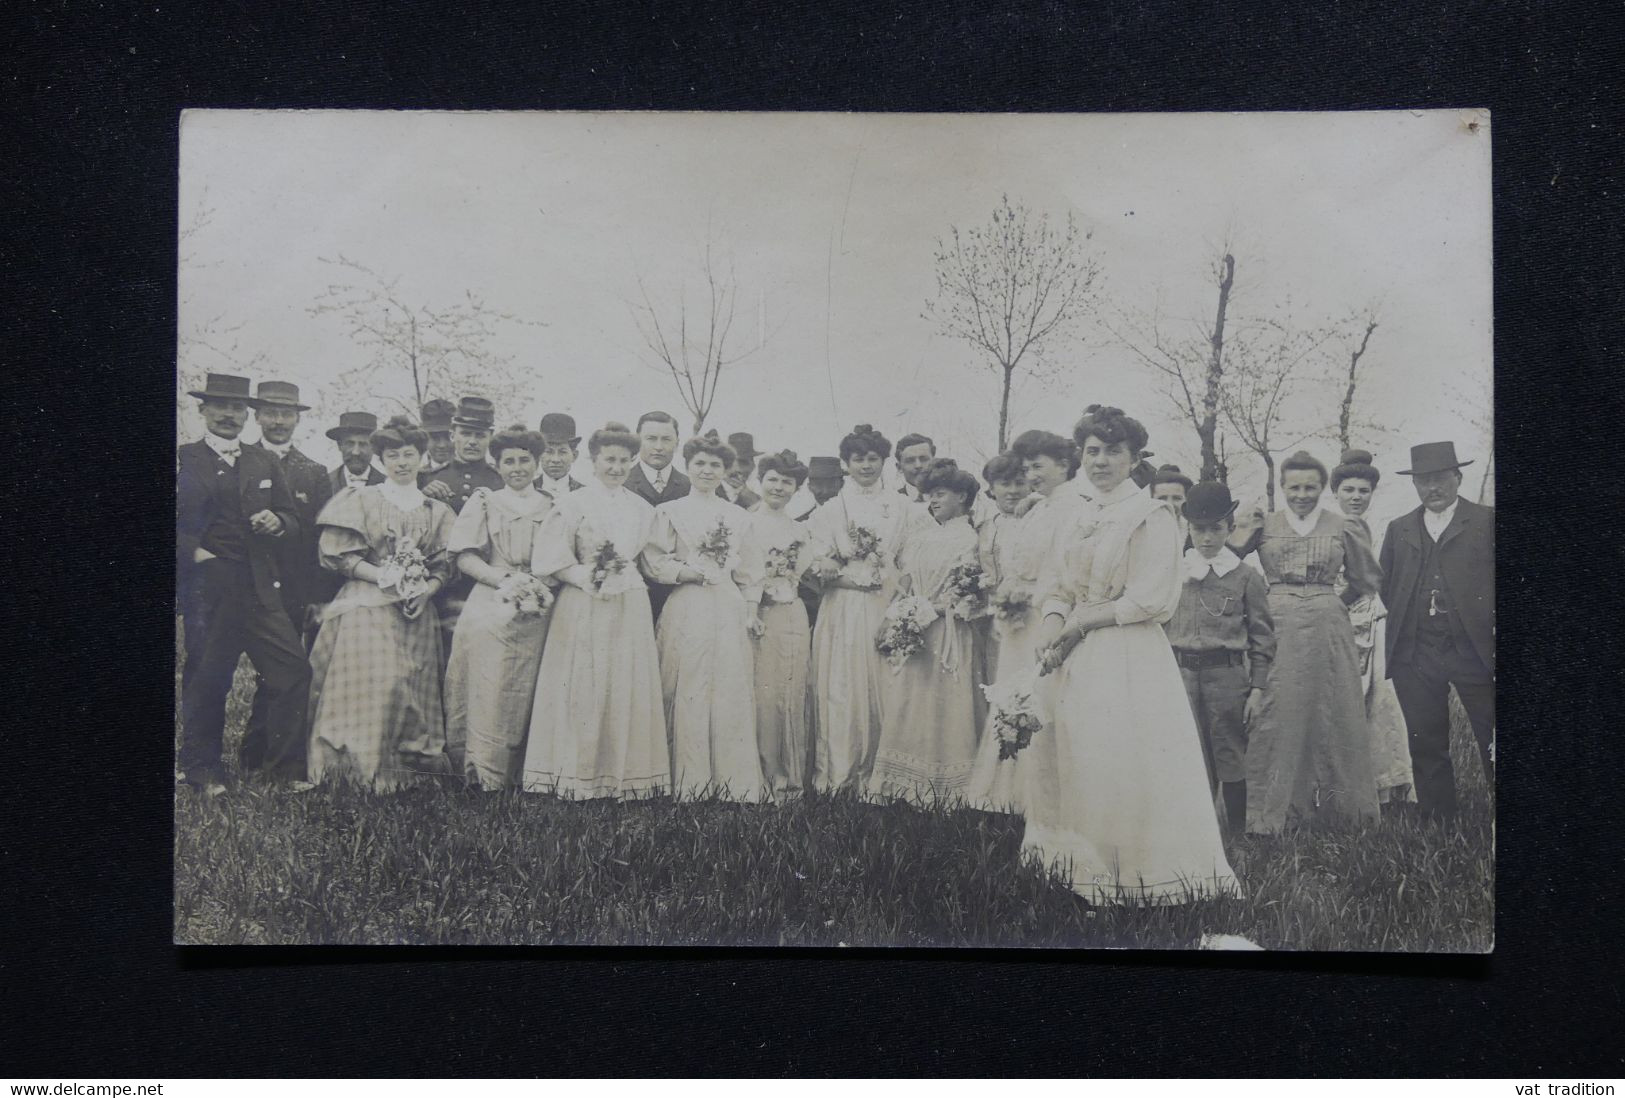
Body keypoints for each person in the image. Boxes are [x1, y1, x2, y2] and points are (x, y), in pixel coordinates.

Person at [1024, 406, 1237, 905]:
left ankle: (1134, 876)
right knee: (1072, 753)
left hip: (1126, 651)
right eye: (1091, 451)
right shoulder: (1074, 513)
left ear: (1133, 457)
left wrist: (1077, 621)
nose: (1100, 461)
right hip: (1074, 653)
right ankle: (1076, 869)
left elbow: (1152, 600)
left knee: (1117, 756)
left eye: (1112, 451)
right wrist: (1054, 621)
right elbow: (1056, 584)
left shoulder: (1151, 515)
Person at [177, 373, 312, 795]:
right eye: (219, 406)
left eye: (236, 408)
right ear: (202, 410)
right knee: (208, 676)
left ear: (246, 414)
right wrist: (195, 553)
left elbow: (293, 519)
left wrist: (278, 522)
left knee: (292, 671)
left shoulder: (261, 460)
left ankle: (280, 771)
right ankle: (201, 770)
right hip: (209, 587)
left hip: (258, 587)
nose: (228, 415)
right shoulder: (183, 458)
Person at [519, 423, 670, 800]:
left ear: (633, 462)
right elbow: (550, 559)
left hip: (628, 603)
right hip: (583, 599)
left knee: (623, 682)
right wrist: (586, 576)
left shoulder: (641, 508)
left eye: (623, 461)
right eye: (609, 460)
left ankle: (623, 775)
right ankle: (576, 774)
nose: (616, 468)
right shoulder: (573, 504)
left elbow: (652, 560)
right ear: (593, 461)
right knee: (582, 682)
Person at [306, 416, 456, 792]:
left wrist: (426, 591)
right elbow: (339, 556)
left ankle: (407, 769)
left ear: (423, 457)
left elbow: (444, 565)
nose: (402, 462)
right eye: (393, 455)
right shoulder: (363, 499)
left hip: (415, 608)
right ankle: (353, 768)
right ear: (381, 458)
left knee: (410, 683)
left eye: (409, 454)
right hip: (366, 602)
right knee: (378, 679)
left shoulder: (435, 511)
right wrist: (385, 577)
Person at [1236, 450, 1382, 833]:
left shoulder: (1342, 525)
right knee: (1273, 710)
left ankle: (1342, 814)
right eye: (1294, 487)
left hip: (1326, 627)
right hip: (1275, 625)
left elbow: (1366, 579)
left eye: (1311, 487)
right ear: (1282, 488)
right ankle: (1265, 815)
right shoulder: (1264, 524)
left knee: (1331, 710)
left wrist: (1330, 601)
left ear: (1323, 489)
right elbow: (1227, 558)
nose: (1302, 494)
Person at [805, 424, 930, 793]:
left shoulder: (903, 508)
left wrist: (898, 600)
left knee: (888, 682)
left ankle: (886, 775)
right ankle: (842, 775)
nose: (865, 466)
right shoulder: (830, 510)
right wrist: (836, 571)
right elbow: (816, 563)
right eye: (858, 459)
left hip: (886, 602)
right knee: (843, 687)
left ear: (883, 461)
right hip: (844, 605)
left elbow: (913, 560)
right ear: (846, 463)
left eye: (873, 458)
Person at [642, 433, 764, 801]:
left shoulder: (739, 516)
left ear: (725, 470)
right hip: (688, 601)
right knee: (688, 680)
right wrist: (689, 573)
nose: (707, 471)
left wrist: (751, 610)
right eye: (700, 464)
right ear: (688, 466)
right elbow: (654, 560)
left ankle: (732, 782)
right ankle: (687, 780)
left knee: (727, 683)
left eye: (715, 465)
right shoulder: (670, 511)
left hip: (725, 604)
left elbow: (752, 572)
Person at [1379, 441, 1494, 820]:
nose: (1433, 488)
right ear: (1415, 485)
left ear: (1458, 477)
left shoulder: (1487, 522)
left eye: (1441, 479)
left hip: (1475, 649)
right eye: (1424, 481)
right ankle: (1439, 820)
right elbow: (1387, 584)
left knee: (1494, 735)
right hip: (1418, 652)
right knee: (1425, 739)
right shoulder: (1399, 530)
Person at [443, 426, 557, 791]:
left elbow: (560, 557)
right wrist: (502, 580)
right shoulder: (485, 501)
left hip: (538, 606)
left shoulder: (553, 506)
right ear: (498, 465)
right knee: (489, 687)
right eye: (509, 461)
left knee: (531, 687)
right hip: (492, 601)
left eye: (525, 460)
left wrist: (538, 584)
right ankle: (484, 774)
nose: (517, 468)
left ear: (538, 464)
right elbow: (464, 556)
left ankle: (529, 773)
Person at [868, 459, 988, 804]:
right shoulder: (924, 536)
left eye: (940, 494)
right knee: (913, 701)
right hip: (916, 629)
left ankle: (948, 788)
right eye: (929, 495)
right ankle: (906, 786)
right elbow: (906, 581)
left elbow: (968, 594)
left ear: (962, 496)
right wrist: (894, 616)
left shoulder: (970, 538)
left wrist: (930, 610)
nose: (933, 501)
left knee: (948, 705)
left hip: (948, 630)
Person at [1166, 482, 1275, 834]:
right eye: (1199, 529)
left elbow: (1262, 638)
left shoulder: (1245, 576)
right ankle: (1196, 835)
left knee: (1230, 755)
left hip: (1226, 679)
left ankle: (1236, 835)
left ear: (1230, 528)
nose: (1207, 538)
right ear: (1188, 529)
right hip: (1181, 676)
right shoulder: (1174, 572)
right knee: (1187, 754)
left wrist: (1257, 690)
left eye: (1216, 528)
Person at [242, 381, 332, 778]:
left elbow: (317, 539)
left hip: (293, 589)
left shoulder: (313, 472)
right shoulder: (240, 461)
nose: (278, 421)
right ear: (257, 416)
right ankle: (253, 752)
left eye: (286, 414)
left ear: (298, 419)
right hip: (244, 583)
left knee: (281, 673)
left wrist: (315, 596)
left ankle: (262, 755)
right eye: (271, 413)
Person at [1331, 449, 1415, 806]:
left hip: (1373, 623)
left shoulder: (1383, 529)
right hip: (1333, 624)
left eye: (1363, 491)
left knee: (1380, 703)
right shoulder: (1326, 527)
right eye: (1348, 490)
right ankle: (1335, 789)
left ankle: (1383, 788)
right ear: (1335, 492)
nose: (1355, 497)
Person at [746, 450, 816, 795]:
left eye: (787, 481)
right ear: (760, 481)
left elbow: (801, 574)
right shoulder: (744, 522)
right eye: (772, 479)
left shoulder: (800, 529)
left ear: (796, 488)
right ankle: (762, 768)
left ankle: (789, 769)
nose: (778, 487)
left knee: (791, 688)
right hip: (756, 614)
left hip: (792, 613)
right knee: (761, 689)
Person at [422, 396, 503, 657]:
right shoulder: (430, 480)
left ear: (490, 437)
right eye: (465, 433)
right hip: (442, 590)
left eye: (479, 435)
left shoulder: (500, 481)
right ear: (453, 434)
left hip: (484, 587)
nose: (471, 441)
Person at [326, 411, 384, 494]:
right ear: (339, 445)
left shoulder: (388, 486)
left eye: (363, 444)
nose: (355, 452)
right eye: (349, 444)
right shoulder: (325, 484)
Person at [535, 413, 585, 497]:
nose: (555, 459)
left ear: (574, 455)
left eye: (563, 452)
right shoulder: (527, 490)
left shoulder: (584, 494)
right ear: (539, 454)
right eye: (549, 451)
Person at [1151, 464, 1193, 543]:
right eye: (1162, 498)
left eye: (1177, 498)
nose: (1169, 504)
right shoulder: (1141, 532)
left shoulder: (1194, 533)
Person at [419, 399, 457, 480]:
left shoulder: (472, 475)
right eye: (434, 438)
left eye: (448, 437)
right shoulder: (418, 478)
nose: (442, 445)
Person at [893, 433, 937, 504]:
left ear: (934, 462)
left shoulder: (950, 497)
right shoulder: (892, 500)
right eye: (910, 461)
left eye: (924, 459)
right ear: (899, 467)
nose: (918, 465)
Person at [724, 432, 762, 509]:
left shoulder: (755, 493)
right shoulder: (713, 491)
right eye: (743, 462)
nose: (752, 467)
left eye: (752, 461)